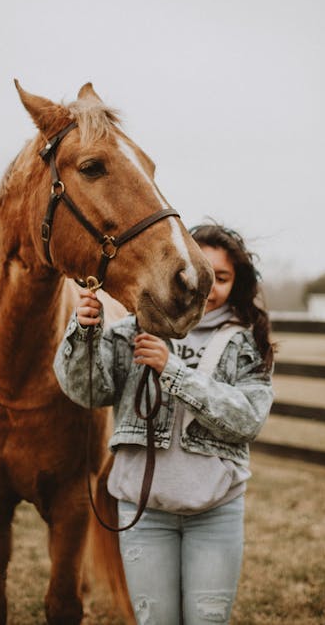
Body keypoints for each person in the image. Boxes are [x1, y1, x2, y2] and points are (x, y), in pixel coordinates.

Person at [54, 223, 274, 625]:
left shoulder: (246, 343)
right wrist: (84, 332)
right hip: (144, 512)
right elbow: (87, 391)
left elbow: (248, 418)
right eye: (197, 272)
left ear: (236, 283)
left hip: (216, 510)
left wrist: (173, 371)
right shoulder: (132, 330)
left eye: (220, 278)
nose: (206, 286)